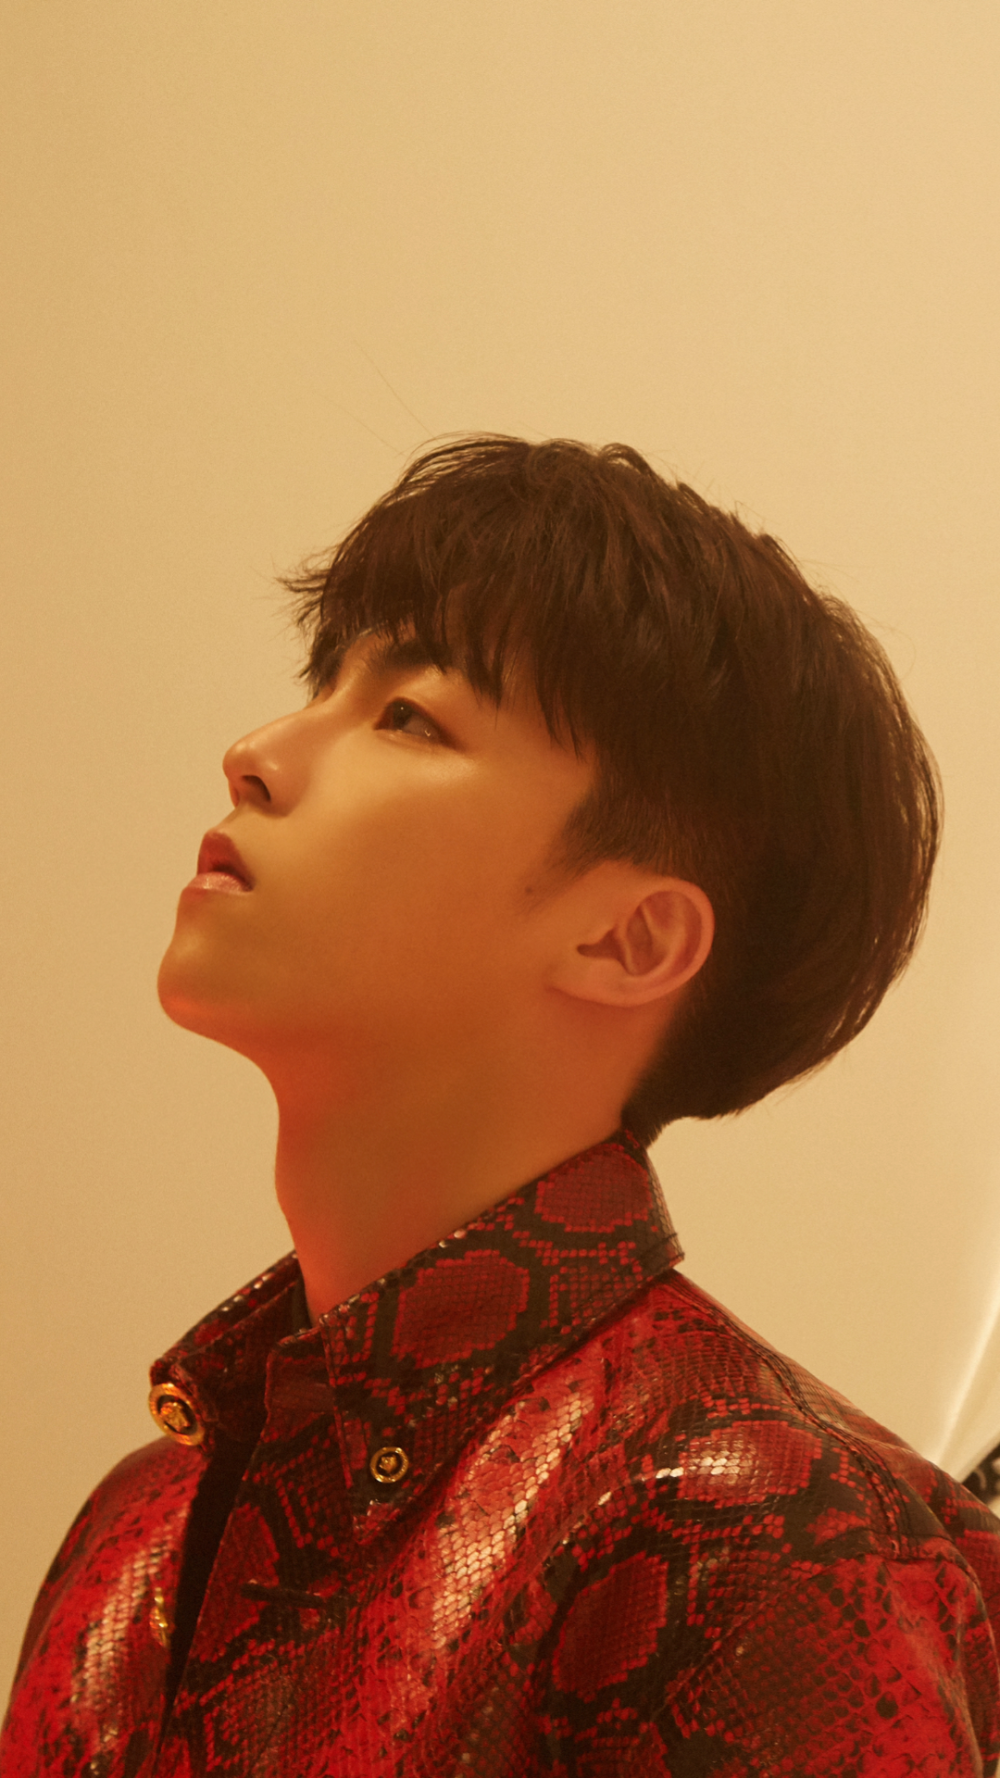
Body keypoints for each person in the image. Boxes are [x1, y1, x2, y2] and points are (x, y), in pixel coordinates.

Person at [3, 436, 997, 1776]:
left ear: (631, 939)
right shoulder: (142, 1530)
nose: (256, 755)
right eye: (322, 688)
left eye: (410, 716)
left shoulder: (749, 1528)